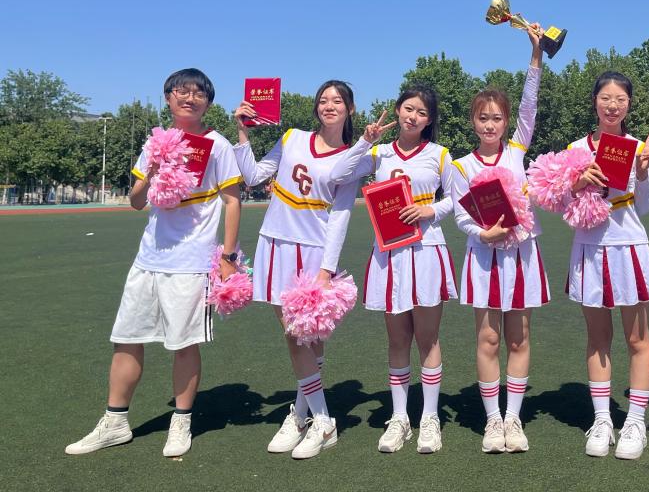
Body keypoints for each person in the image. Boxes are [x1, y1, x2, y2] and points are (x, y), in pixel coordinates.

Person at [66, 68, 242, 458]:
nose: (189, 98)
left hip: (191, 261)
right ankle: (115, 422)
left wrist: (228, 257)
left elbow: (232, 201)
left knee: (183, 344)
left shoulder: (217, 145)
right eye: (181, 91)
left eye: (198, 93)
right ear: (168, 97)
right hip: (148, 257)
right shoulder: (156, 142)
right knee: (126, 338)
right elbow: (135, 201)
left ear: (208, 103)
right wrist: (151, 173)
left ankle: (181, 422)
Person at [233, 80, 361, 459]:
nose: (329, 105)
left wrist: (327, 269)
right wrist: (242, 132)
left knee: (304, 338)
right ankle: (310, 416)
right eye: (323, 100)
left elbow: (340, 216)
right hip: (275, 242)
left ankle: (313, 417)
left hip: (314, 251)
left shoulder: (351, 158)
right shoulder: (292, 138)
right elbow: (254, 176)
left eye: (337, 101)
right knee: (297, 336)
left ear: (350, 109)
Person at [328, 86, 457, 454]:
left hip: (426, 250)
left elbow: (457, 198)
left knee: (428, 339)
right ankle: (399, 417)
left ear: (429, 120)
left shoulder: (439, 155)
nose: (413, 117)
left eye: (421, 112)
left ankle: (429, 418)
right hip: (389, 253)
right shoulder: (379, 153)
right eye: (408, 108)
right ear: (398, 110)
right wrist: (363, 141)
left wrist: (431, 210)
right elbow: (338, 174)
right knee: (398, 339)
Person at [452, 26, 550, 453]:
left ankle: (514, 417)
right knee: (488, 339)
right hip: (483, 258)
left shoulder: (516, 151)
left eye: (497, 118)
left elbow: (530, 104)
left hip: (521, 255)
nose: (490, 124)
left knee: (518, 339)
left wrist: (536, 57)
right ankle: (493, 420)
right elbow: (460, 214)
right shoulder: (460, 165)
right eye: (482, 118)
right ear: (473, 122)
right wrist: (482, 232)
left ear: (507, 122)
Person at [566, 71, 649, 460]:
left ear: (628, 105)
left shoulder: (638, 147)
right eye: (605, 98)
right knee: (598, 339)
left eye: (620, 99)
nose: (612, 105)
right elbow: (561, 206)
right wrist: (577, 183)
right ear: (594, 101)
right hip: (590, 248)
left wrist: (642, 174)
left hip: (629, 247)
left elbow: (645, 208)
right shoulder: (575, 149)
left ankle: (635, 421)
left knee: (638, 339)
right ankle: (603, 419)